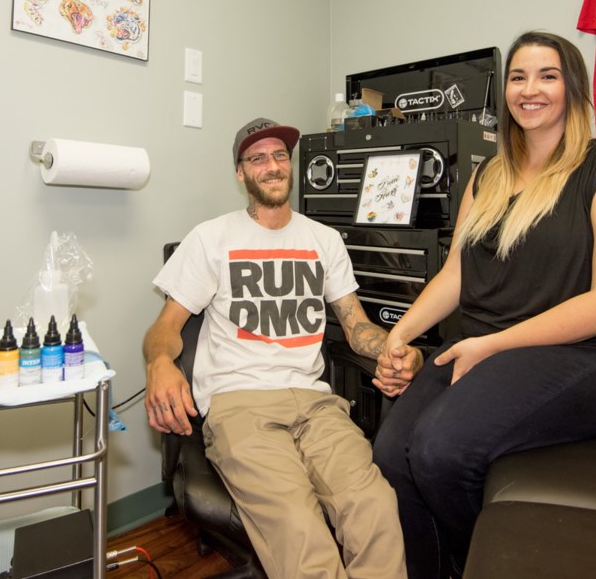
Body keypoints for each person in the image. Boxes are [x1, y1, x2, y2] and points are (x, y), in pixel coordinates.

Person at [371, 31, 596, 578]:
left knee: (442, 452)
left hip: (595, 352)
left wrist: (490, 344)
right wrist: (401, 334)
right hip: (490, 345)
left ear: (573, 88)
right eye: (517, 77)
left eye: (547, 75)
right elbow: (458, 273)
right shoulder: (489, 176)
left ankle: (487, 565)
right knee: (391, 455)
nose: (529, 89)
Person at [143, 117, 421, 579]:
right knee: (299, 530)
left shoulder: (324, 240)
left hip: (315, 404)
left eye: (279, 156)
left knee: (374, 507)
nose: (271, 166)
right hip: (240, 404)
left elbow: (356, 328)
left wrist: (396, 349)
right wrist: (159, 361)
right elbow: (164, 327)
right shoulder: (212, 238)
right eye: (258, 158)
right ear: (240, 173)